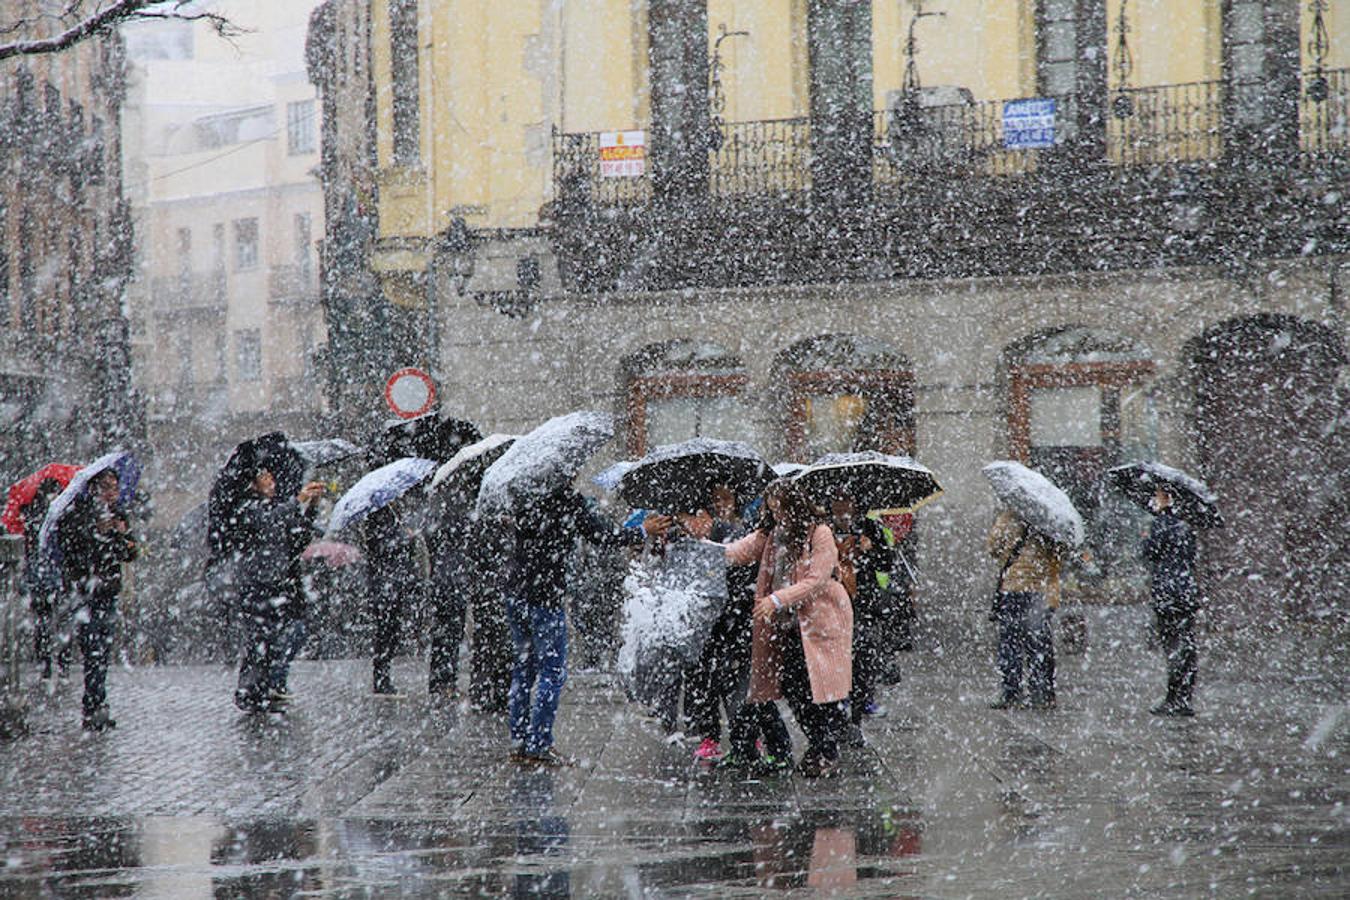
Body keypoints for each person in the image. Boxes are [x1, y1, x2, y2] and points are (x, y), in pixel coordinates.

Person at [507, 486, 666, 766]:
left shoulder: (523, 494)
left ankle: (519, 740)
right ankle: (539, 743)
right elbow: (602, 535)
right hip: (545, 594)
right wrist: (642, 530)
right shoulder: (565, 498)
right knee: (552, 672)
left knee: (523, 669)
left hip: (517, 591)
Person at [724, 480, 853, 778]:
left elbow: (816, 580)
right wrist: (696, 547)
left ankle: (826, 749)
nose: (777, 515)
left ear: (795, 505)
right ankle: (821, 746)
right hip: (789, 626)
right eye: (772, 509)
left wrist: (777, 599)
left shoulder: (819, 533)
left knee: (819, 690)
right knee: (794, 689)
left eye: (781, 508)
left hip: (821, 623)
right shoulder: (772, 534)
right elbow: (737, 551)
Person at [232, 466, 324, 713]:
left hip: (277, 583)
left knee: (271, 641)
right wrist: (298, 500)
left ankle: (263, 690)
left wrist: (312, 507)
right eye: (264, 477)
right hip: (256, 585)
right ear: (252, 483)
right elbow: (268, 522)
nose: (271, 481)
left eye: (272, 476)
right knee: (258, 641)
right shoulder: (248, 507)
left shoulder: (276, 508)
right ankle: (250, 692)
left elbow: (299, 538)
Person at [55, 470, 139, 731]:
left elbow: (130, 554)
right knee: (93, 650)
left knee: (102, 652)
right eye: (106, 487)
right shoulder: (77, 514)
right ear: (94, 489)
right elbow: (70, 552)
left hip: (109, 591)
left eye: (115, 486)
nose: (111, 492)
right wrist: (94, 533)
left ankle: (97, 703)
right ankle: (94, 705)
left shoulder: (118, 513)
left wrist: (122, 535)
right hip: (86, 593)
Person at [830, 496, 893, 746]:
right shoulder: (824, 529)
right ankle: (836, 717)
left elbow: (887, 564)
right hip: (833, 605)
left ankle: (854, 719)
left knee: (862, 660)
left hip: (863, 605)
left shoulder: (869, 527)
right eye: (838, 501)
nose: (843, 507)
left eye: (847, 502)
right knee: (836, 663)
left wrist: (872, 549)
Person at [987, 508, 1062, 710]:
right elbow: (1057, 552)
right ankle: (1042, 692)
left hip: (1013, 588)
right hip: (1040, 589)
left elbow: (993, 548)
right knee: (1039, 641)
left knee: (1010, 641)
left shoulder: (1009, 517)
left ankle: (1011, 692)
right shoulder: (1048, 518)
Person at [1142, 487, 1199, 717]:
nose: (1154, 500)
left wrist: (1146, 539)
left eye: (1157, 496)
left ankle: (1174, 698)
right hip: (1186, 591)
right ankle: (1183, 696)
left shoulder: (1161, 524)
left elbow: (1150, 553)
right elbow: (1191, 556)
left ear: (1167, 499)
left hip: (1168, 592)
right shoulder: (1185, 525)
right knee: (1186, 643)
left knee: (1172, 645)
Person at [364, 503, 422, 695]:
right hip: (384, 585)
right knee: (385, 633)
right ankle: (381, 678)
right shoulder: (377, 516)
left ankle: (383, 675)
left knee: (391, 632)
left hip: (394, 583)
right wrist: (405, 537)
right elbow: (381, 547)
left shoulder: (394, 515)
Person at [23, 478, 71, 679]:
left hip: (42, 575)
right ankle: (60, 662)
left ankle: (47, 662)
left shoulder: (33, 513)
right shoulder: (61, 513)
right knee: (59, 620)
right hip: (53, 574)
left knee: (44, 621)